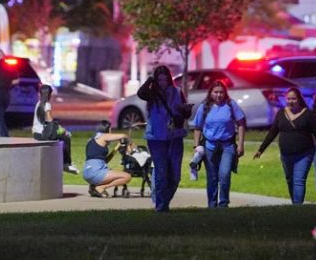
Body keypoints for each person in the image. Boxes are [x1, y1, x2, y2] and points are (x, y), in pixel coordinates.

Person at [254, 87, 316, 204]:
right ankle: (294, 204)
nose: (291, 101)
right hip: (286, 154)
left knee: (299, 180)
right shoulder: (281, 113)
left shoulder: (308, 114)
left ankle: (297, 207)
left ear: (299, 99)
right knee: (290, 180)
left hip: (304, 153)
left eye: (293, 99)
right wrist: (261, 149)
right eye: (288, 99)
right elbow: (273, 132)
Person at [137, 65, 189, 212]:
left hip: (175, 136)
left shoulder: (177, 92)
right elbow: (140, 93)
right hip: (156, 137)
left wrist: (185, 111)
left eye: (165, 79)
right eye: (159, 80)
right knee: (161, 172)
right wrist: (150, 80)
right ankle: (161, 207)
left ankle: (163, 202)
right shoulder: (152, 94)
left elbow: (184, 113)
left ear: (169, 78)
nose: (163, 82)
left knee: (175, 175)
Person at [192, 80, 246, 208]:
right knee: (212, 177)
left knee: (225, 174)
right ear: (210, 93)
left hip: (227, 145)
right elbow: (197, 127)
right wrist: (196, 146)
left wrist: (240, 144)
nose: (218, 95)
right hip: (210, 146)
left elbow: (241, 123)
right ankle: (212, 204)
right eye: (215, 92)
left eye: (221, 92)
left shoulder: (231, 105)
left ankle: (223, 203)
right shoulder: (204, 107)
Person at [32, 84, 79, 174]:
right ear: (49, 94)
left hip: (36, 133)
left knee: (62, 136)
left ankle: (64, 162)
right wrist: (62, 130)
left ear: (40, 94)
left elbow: (44, 122)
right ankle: (67, 164)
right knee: (66, 136)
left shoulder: (38, 104)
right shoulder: (46, 105)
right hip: (43, 134)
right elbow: (50, 121)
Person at [83, 120, 132, 197]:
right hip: (96, 173)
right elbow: (123, 135)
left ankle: (93, 187)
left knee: (110, 171)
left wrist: (117, 147)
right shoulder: (103, 136)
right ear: (107, 129)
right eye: (110, 129)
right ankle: (101, 187)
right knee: (127, 177)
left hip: (87, 173)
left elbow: (104, 161)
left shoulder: (92, 140)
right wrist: (129, 141)